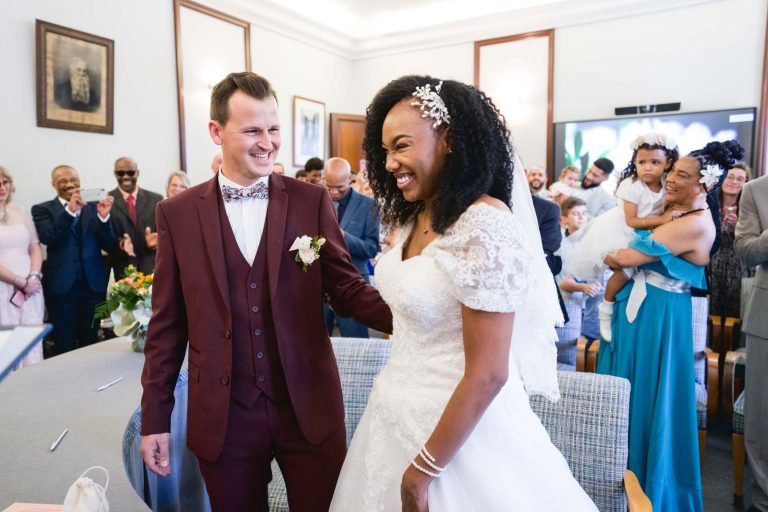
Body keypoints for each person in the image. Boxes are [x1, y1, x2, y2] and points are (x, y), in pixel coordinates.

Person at [330, 76, 596, 511]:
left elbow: (489, 372)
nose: (389, 162)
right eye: (384, 151)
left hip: (461, 441)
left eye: (400, 146)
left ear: (449, 140)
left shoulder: (483, 224)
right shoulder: (411, 219)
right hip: (390, 417)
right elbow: (410, 314)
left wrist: (422, 472)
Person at [139, 71, 392, 512]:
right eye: (252, 130)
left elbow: (347, 290)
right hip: (225, 415)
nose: (267, 142)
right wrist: (154, 418)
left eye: (273, 129)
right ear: (216, 131)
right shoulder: (176, 215)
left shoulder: (310, 202)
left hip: (308, 409)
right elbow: (166, 325)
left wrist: (421, 314)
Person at [597, 140, 744, 511]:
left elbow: (628, 257)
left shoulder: (693, 223)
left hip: (659, 317)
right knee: (629, 388)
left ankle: (648, 487)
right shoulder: (676, 212)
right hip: (643, 308)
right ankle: (614, 479)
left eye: (681, 174)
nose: (670, 177)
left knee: (649, 392)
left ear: (704, 184)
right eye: (673, 170)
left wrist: (613, 256)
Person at [565, 132, 680, 340]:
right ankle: (605, 309)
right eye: (641, 162)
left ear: (668, 162)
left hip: (651, 233)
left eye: (655, 162)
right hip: (625, 229)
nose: (647, 167)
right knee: (625, 270)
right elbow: (632, 221)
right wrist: (663, 221)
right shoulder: (632, 185)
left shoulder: (668, 184)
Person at [32, 165, 128, 356]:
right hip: (61, 288)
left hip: (93, 286)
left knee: (91, 340)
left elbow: (108, 243)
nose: (69, 184)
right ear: (53, 184)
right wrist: (69, 212)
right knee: (64, 342)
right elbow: (48, 237)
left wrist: (103, 218)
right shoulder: (42, 209)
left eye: (73, 180)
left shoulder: (93, 207)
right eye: (62, 181)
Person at [734, 172, 768, 512]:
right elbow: (745, 251)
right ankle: (764, 498)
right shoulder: (755, 190)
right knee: (763, 412)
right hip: (767, 317)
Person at [322, 157, 380, 338]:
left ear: (350, 179)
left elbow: (371, 248)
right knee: (314, 348)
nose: (333, 192)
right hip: (319, 284)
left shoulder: (368, 205)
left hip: (353, 284)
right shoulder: (315, 199)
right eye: (328, 186)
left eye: (339, 187)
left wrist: (344, 236)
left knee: (357, 345)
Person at [0, 166, 44, 367]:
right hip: (4, 287)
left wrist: (34, 277)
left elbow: (34, 246)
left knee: (31, 338)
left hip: (30, 289)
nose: (2, 187)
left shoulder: (20, 210)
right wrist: (18, 281)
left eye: (5, 182)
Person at [710, 163, 754, 317]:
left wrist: (737, 228)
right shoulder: (708, 205)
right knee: (709, 314)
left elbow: (755, 242)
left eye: (740, 179)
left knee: (735, 315)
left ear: (746, 183)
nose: (734, 182)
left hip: (739, 268)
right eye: (730, 177)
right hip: (711, 266)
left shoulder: (750, 210)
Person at [108, 157, 163, 278]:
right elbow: (103, 235)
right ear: (115, 174)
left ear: (138, 173)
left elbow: (164, 232)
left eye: (131, 172)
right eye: (121, 173)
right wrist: (121, 243)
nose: (126, 177)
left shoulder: (156, 199)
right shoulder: (106, 201)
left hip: (151, 267)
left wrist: (156, 241)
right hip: (122, 270)